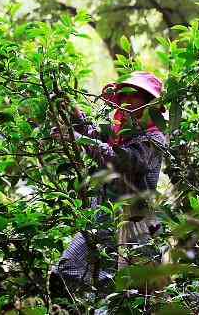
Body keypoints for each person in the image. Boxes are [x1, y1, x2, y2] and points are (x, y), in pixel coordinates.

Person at [49, 71, 167, 298]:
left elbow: (120, 160)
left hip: (134, 224)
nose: (125, 101)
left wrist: (75, 138)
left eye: (134, 96)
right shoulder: (118, 133)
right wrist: (74, 112)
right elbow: (97, 138)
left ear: (149, 104)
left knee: (128, 292)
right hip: (103, 216)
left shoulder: (154, 138)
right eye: (123, 96)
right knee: (65, 271)